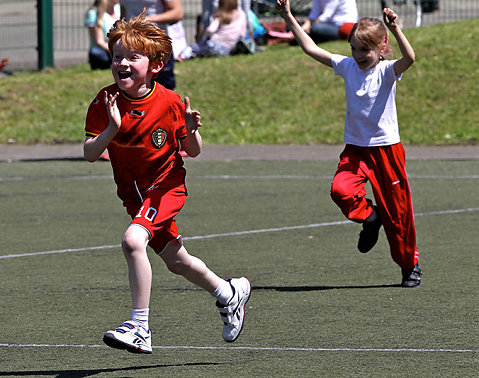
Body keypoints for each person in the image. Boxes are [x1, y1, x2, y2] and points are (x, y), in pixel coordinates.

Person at [84, 12, 252, 354]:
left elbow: (192, 151)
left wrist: (191, 131)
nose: (122, 64)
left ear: (156, 65)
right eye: (117, 57)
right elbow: (89, 153)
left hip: (166, 187)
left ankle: (140, 327)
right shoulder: (106, 101)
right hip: (134, 196)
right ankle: (228, 293)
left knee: (133, 241)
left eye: (133, 57)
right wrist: (111, 129)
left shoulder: (170, 102)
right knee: (177, 261)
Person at [277, 0, 422, 287]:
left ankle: (409, 266)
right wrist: (288, 16)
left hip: (387, 151)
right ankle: (370, 217)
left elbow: (410, 58)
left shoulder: (388, 71)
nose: (358, 55)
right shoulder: (347, 66)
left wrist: (395, 29)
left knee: (399, 214)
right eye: (354, 49)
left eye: (364, 50)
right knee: (341, 190)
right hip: (356, 149)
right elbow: (311, 48)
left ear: (381, 48)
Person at [120, 0, 184, 89]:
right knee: (129, 91)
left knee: (163, 92)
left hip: (156, 45)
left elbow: (177, 13)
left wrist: (147, 20)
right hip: (130, 46)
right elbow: (123, 13)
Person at [178, 0, 247, 60]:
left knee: (194, 48)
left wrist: (206, 37)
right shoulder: (242, 15)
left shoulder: (221, 15)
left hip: (213, 44)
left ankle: (182, 56)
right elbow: (242, 34)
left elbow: (211, 29)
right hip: (226, 50)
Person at [84, 0, 121, 69]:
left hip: (119, 47)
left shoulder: (119, 8)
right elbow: (99, 42)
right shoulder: (93, 14)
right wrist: (117, 51)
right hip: (104, 50)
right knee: (96, 53)